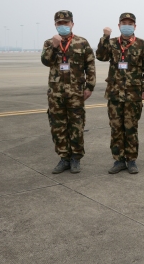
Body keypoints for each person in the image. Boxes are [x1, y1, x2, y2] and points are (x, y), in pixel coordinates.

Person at [96, 13, 144, 174]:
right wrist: (105, 37)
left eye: (130, 23)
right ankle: (118, 160)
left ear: (135, 26)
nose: (127, 25)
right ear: (119, 25)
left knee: (131, 128)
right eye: (124, 23)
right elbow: (100, 56)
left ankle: (132, 160)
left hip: (134, 94)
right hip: (114, 93)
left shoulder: (142, 44)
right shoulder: (112, 43)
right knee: (116, 128)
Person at [41, 10, 96, 174]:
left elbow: (90, 67)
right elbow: (46, 61)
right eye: (60, 23)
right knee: (58, 126)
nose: (63, 26)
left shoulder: (82, 42)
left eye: (66, 23)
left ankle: (75, 159)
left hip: (75, 93)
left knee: (76, 126)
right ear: (55, 25)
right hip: (56, 94)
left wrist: (89, 87)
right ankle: (64, 158)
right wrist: (54, 46)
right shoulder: (49, 43)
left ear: (72, 24)